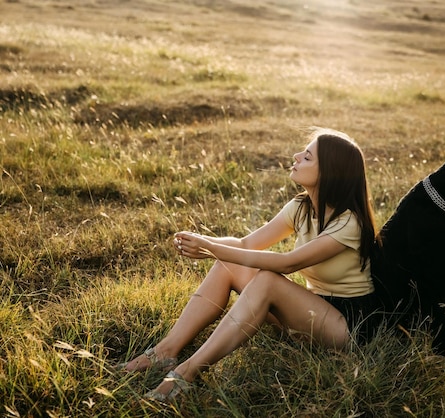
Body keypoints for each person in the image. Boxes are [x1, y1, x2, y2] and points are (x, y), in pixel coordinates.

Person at [120, 127, 381, 402]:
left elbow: (288, 263)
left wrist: (210, 249)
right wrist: (206, 241)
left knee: (266, 279)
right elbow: (245, 245)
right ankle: (165, 352)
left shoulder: (349, 222)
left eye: (307, 157)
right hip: (311, 309)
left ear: (330, 171)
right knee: (227, 264)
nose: (295, 156)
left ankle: (185, 375)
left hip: (349, 325)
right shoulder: (301, 207)